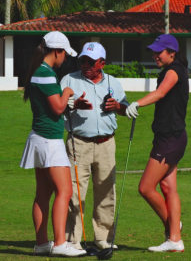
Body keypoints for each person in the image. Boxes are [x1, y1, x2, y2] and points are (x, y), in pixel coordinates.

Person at [19, 31, 86, 257]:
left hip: (40, 138)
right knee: (64, 191)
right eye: (64, 54)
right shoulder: (46, 74)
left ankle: (41, 244)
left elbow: (54, 107)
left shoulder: (40, 72)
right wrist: (67, 91)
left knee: (43, 194)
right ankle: (59, 243)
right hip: (49, 141)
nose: (65, 58)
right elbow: (57, 108)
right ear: (57, 51)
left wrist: (72, 104)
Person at [60, 42, 129, 250]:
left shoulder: (113, 82)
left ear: (102, 63)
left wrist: (117, 106)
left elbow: (125, 109)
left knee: (106, 191)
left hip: (107, 142)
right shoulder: (69, 79)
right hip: (78, 142)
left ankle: (103, 238)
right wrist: (73, 105)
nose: (86, 65)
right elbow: (57, 106)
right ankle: (73, 240)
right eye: (82, 60)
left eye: (90, 61)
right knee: (73, 192)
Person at [125, 34, 188, 253]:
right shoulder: (169, 70)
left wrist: (137, 104)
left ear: (172, 53)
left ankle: (174, 229)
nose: (155, 55)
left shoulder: (173, 72)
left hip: (171, 138)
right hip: (169, 137)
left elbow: (160, 94)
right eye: (154, 51)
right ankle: (174, 239)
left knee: (145, 187)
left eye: (159, 52)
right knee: (168, 188)